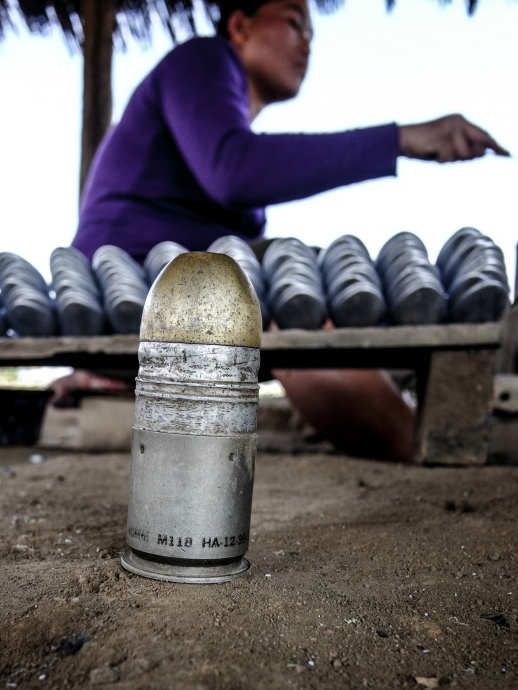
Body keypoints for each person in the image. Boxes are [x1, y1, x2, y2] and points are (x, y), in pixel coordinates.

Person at [61, 0, 509, 462]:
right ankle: (430, 456)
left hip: (178, 294)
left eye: (312, 36)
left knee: (307, 278)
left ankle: (414, 423)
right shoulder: (202, 59)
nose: (307, 46)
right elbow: (237, 171)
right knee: (296, 287)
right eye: (295, 24)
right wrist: (400, 139)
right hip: (128, 289)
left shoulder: (216, 137)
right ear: (240, 25)